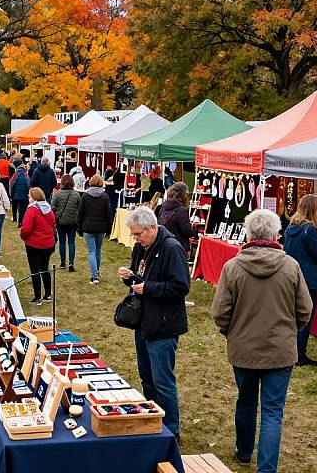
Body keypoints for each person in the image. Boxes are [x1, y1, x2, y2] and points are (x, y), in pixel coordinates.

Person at [212, 209, 312, 471]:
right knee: (271, 412)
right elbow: (305, 310)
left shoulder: (233, 267)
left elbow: (220, 312)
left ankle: (245, 452)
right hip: (278, 350)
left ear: (248, 233)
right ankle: (261, 465)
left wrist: (234, 333)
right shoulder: (290, 266)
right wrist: (289, 332)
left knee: (247, 401)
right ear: (275, 233)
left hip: (246, 349)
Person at [119, 206, 189, 442]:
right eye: (134, 235)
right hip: (143, 322)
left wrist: (149, 288)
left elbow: (180, 287)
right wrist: (129, 278)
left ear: (151, 228)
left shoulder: (171, 248)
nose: (135, 239)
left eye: (138, 234)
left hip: (163, 325)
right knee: (146, 377)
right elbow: (141, 277)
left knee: (163, 381)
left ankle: (172, 430)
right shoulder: (142, 247)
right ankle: (152, 418)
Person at [284, 194, 317, 366]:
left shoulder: (292, 227)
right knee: (305, 316)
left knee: (292, 315)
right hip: (308, 278)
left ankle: (289, 350)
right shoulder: (309, 229)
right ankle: (299, 354)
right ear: (313, 209)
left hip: (292, 275)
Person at [20, 188, 56, 305]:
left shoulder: (32, 210)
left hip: (34, 244)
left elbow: (26, 229)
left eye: (29, 196)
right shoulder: (48, 209)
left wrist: (24, 237)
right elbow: (52, 224)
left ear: (34, 198)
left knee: (35, 270)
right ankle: (48, 294)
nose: (28, 198)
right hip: (48, 244)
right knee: (45, 268)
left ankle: (37, 297)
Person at [77, 175, 111, 284]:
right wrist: (109, 228)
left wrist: (79, 228)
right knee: (97, 250)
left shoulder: (85, 196)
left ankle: (94, 275)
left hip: (88, 227)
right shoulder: (105, 196)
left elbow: (80, 213)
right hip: (100, 227)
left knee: (92, 251)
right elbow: (108, 214)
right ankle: (96, 272)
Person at [52, 174, 81, 271]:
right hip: (72, 221)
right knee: (71, 242)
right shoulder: (76, 194)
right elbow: (79, 207)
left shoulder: (58, 194)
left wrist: (57, 214)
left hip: (60, 221)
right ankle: (71, 263)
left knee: (62, 242)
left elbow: (53, 207)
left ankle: (62, 263)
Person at [158, 182, 194, 254]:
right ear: (183, 195)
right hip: (178, 247)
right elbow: (187, 231)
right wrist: (195, 229)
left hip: (163, 245)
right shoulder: (181, 211)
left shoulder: (162, 208)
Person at [9, 159, 30, 226]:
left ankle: (14, 217)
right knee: (23, 208)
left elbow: (11, 183)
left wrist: (11, 193)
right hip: (24, 194)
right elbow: (28, 183)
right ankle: (21, 221)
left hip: (15, 193)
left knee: (14, 205)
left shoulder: (16, 173)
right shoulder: (25, 173)